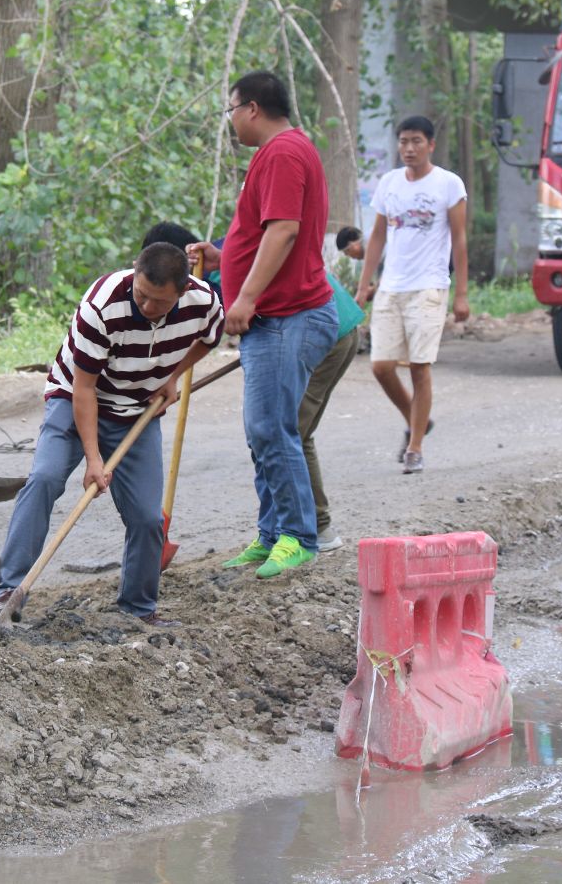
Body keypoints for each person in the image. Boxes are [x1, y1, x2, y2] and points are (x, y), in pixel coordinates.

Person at [0, 243, 224, 625]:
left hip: (136, 410)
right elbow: (84, 389)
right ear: (135, 270)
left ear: (182, 292)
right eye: (142, 294)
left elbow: (211, 337)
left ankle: (138, 609)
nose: (147, 306)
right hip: (74, 398)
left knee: (148, 517)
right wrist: (94, 458)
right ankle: (8, 590)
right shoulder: (101, 305)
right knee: (45, 478)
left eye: (160, 302)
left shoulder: (203, 302)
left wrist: (172, 376)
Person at [189, 70, 336, 580]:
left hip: (285, 315)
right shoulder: (279, 153)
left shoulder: (282, 153)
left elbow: (284, 231)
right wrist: (222, 256)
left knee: (270, 428)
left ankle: (298, 536)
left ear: (252, 108)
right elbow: (262, 233)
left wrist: (246, 297)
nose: (230, 121)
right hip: (275, 317)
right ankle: (273, 533)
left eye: (231, 110)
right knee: (264, 432)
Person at [145, 225, 364, 559]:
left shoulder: (213, 274)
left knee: (286, 432)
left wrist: (173, 376)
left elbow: (213, 330)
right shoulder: (221, 254)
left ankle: (316, 530)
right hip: (315, 328)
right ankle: (280, 533)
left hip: (331, 334)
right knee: (283, 433)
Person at [353, 115, 469, 474]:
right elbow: (377, 236)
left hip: (429, 286)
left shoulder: (448, 184)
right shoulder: (389, 183)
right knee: (381, 366)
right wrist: (364, 285)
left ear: (430, 145)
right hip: (391, 286)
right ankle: (417, 418)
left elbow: (459, 239)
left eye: (416, 141)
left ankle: (415, 448)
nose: (409, 148)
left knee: (420, 366)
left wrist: (462, 294)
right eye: (403, 141)